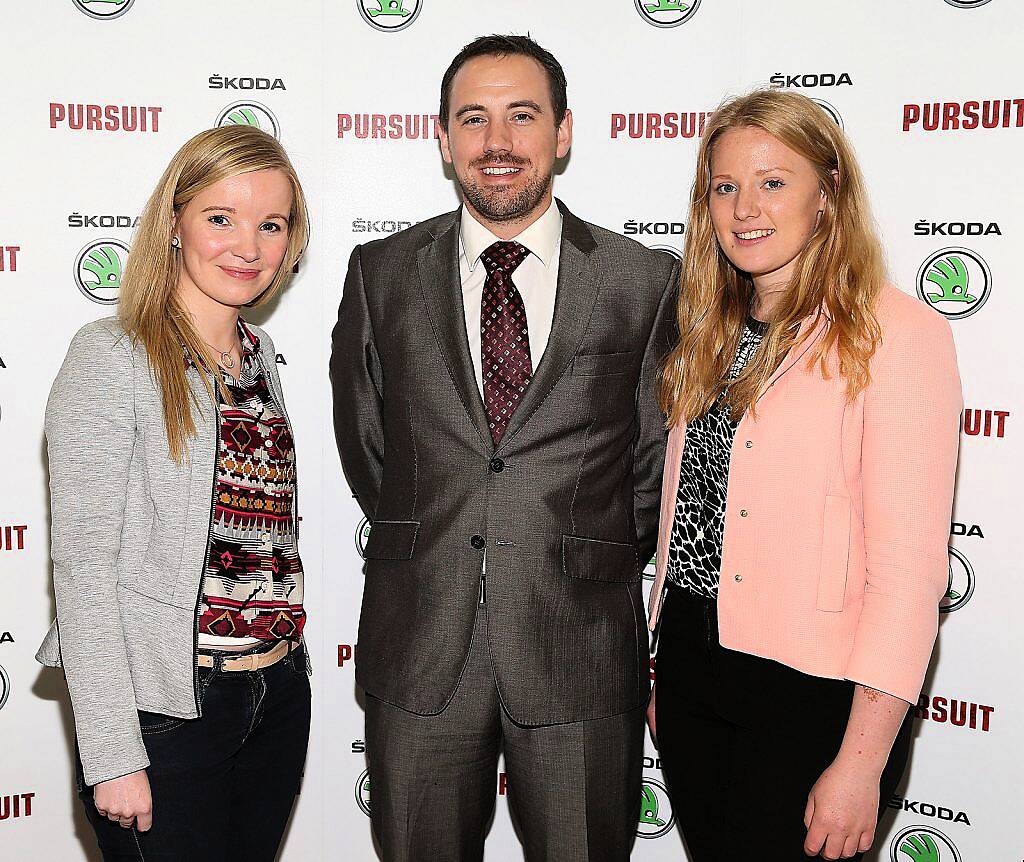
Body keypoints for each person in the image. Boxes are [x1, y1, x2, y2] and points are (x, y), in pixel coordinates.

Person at [331, 34, 678, 862]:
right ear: (443, 137)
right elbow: (366, 440)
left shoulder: (643, 278)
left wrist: (581, 551)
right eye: (474, 119)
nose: (497, 142)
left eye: (522, 116)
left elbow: (654, 454)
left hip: (581, 643)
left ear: (562, 132)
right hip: (420, 643)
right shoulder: (380, 271)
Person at [645, 89, 961, 861]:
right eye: (725, 187)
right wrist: (666, 671)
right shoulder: (706, 333)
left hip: (813, 695)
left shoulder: (897, 336)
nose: (745, 207)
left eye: (773, 182)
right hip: (692, 666)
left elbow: (908, 574)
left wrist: (862, 762)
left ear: (827, 195)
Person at [36, 125, 311, 862]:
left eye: (271, 224)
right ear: (175, 225)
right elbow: (85, 570)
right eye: (220, 218)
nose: (247, 245)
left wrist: (289, 673)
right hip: (164, 710)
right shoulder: (114, 355)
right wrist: (112, 753)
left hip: (276, 694)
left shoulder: (258, 358)